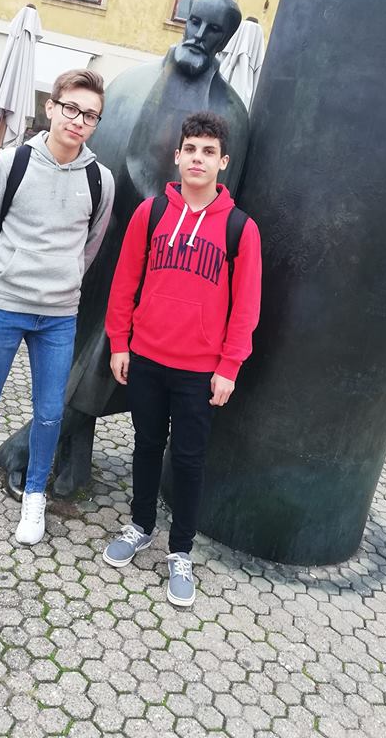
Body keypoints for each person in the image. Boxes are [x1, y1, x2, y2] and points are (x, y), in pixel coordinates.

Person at [0, 0, 250, 500]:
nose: (199, 36)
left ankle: (30, 445)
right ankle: (68, 460)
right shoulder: (130, 84)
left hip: (169, 267)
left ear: (227, 39)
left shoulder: (232, 114)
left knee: (108, 364)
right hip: (104, 248)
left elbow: (223, 196)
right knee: (85, 356)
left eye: (213, 30)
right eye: (195, 22)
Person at [0, 69, 114, 544]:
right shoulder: (9, 164)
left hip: (58, 316)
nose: (78, 120)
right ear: (51, 107)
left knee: (51, 411)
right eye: (71, 108)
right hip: (3, 305)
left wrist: (65, 279)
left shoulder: (100, 180)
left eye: (90, 115)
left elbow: (90, 245)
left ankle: (35, 495)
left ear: (96, 122)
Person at [102, 111, 262, 606]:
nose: (198, 158)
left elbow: (246, 307)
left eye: (208, 152)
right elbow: (124, 281)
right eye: (190, 149)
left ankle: (181, 551)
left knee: (189, 461)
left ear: (223, 162)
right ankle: (140, 525)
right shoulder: (150, 214)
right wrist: (119, 342)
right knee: (146, 445)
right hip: (146, 357)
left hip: (199, 369)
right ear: (177, 156)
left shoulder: (240, 228)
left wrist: (229, 367)